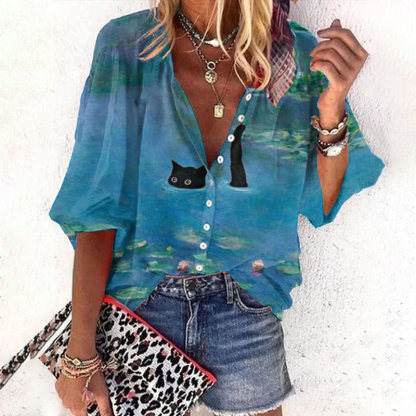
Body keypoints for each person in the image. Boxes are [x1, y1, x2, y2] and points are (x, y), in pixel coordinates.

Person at [50, 0, 385, 415]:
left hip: (245, 305)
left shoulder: (293, 56)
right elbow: (97, 210)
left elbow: (324, 198)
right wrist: (80, 353)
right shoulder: (126, 47)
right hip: (141, 305)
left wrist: (332, 104)